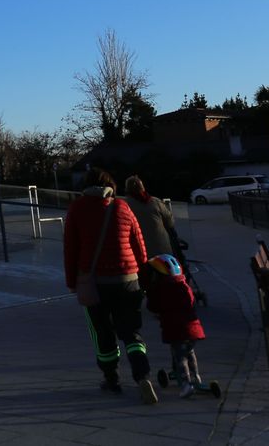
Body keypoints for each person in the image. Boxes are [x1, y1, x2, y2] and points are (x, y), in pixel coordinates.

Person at [63, 169, 156, 403]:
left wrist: (72, 282)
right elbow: (139, 244)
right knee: (131, 331)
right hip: (128, 279)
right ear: (111, 186)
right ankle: (142, 375)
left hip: (95, 283)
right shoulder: (122, 207)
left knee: (102, 331)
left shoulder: (77, 208)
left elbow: (70, 249)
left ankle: (111, 378)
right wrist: (143, 276)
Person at [143, 254, 210, 397]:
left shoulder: (161, 290)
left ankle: (186, 384)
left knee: (180, 357)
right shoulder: (184, 285)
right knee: (190, 353)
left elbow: (152, 307)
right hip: (193, 330)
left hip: (177, 331)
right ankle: (196, 378)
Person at [123, 175, 178, 261]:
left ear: (127, 189)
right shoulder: (156, 202)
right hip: (164, 253)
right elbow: (170, 223)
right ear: (143, 187)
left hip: (140, 254)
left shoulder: (124, 205)